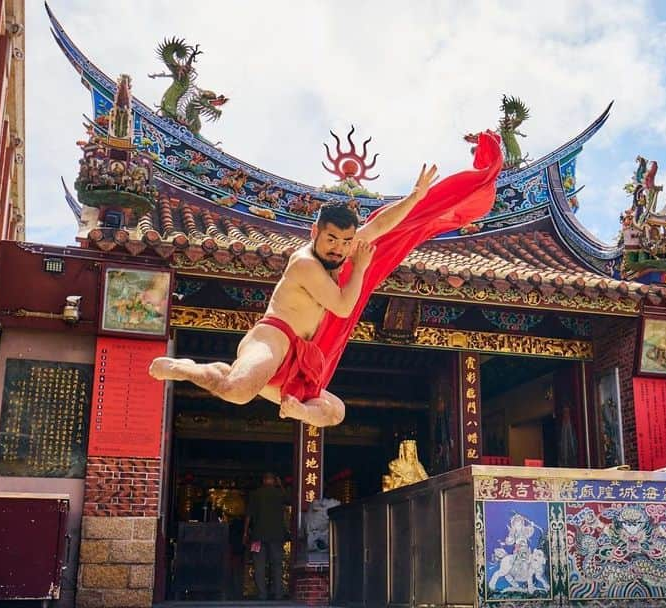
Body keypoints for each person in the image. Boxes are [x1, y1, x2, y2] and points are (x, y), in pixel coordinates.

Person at [149, 132, 503, 427]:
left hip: (304, 359)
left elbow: (380, 226)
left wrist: (415, 198)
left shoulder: (346, 248)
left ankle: (299, 411)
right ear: (315, 231)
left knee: (335, 412)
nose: (338, 249)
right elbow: (343, 306)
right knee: (238, 390)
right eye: (331, 240)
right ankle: (187, 368)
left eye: (346, 242)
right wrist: (362, 267)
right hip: (275, 339)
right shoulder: (304, 263)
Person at [246, 472, 290, 600]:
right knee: (276, 565)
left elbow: (249, 515)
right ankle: (278, 594)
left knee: (259, 565)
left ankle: (262, 594)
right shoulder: (279, 493)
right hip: (276, 536)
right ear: (273, 481)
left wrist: (245, 533)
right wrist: (281, 485)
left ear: (263, 480)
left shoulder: (255, 494)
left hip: (258, 536)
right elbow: (289, 500)